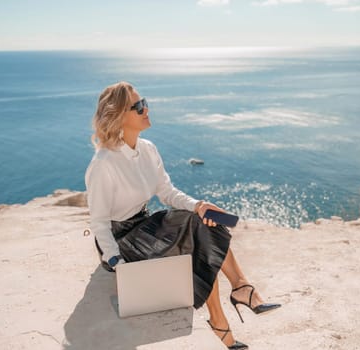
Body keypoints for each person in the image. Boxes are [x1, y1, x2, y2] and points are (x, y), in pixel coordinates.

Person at [85, 81, 281, 349]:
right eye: (138, 106)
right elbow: (98, 222)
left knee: (203, 222)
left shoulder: (148, 149)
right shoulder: (103, 164)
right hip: (121, 240)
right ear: (120, 115)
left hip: (144, 224)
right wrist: (115, 260)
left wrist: (198, 204)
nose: (146, 109)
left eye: (145, 102)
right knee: (196, 235)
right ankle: (229, 313)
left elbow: (167, 192)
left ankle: (239, 290)